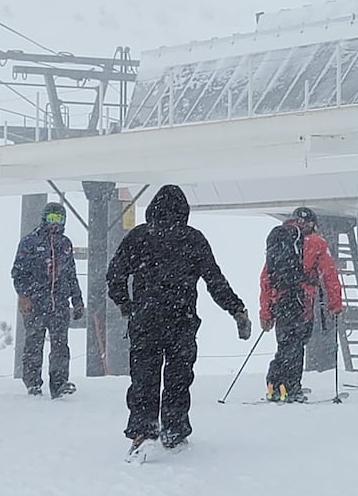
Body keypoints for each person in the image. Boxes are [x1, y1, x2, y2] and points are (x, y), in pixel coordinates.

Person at [107, 184, 251, 453]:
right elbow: (214, 281)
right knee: (178, 377)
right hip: (181, 321)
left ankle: (142, 430)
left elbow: (114, 275)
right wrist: (236, 309)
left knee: (144, 377)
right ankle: (174, 429)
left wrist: (126, 305)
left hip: (145, 320)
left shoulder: (139, 236)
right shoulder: (193, 239)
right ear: (183, 211)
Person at [259, 206, 343, 402]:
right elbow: (330, 275)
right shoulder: (317, 243)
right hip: (302, 300)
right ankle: (291, 388)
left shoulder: (280, 241)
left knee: (285, 343)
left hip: (280, 300)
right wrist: (335, 304)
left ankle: (275, 383)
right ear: (312, 224)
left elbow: (266, 279)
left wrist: (266, 313)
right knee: (297, 344)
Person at [11, 202, 84, 399]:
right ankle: (33, 382)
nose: (55, 224)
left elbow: (71, 274)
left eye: (58, 220)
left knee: (60, 345)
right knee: (34, 343)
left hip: (59, 304)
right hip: (36, 303)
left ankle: (59, 383)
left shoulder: (66, 244)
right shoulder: (29, 242)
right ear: (44, 219)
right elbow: (18, 272)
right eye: (51, 219)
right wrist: (24, 295)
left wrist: (77, 301)